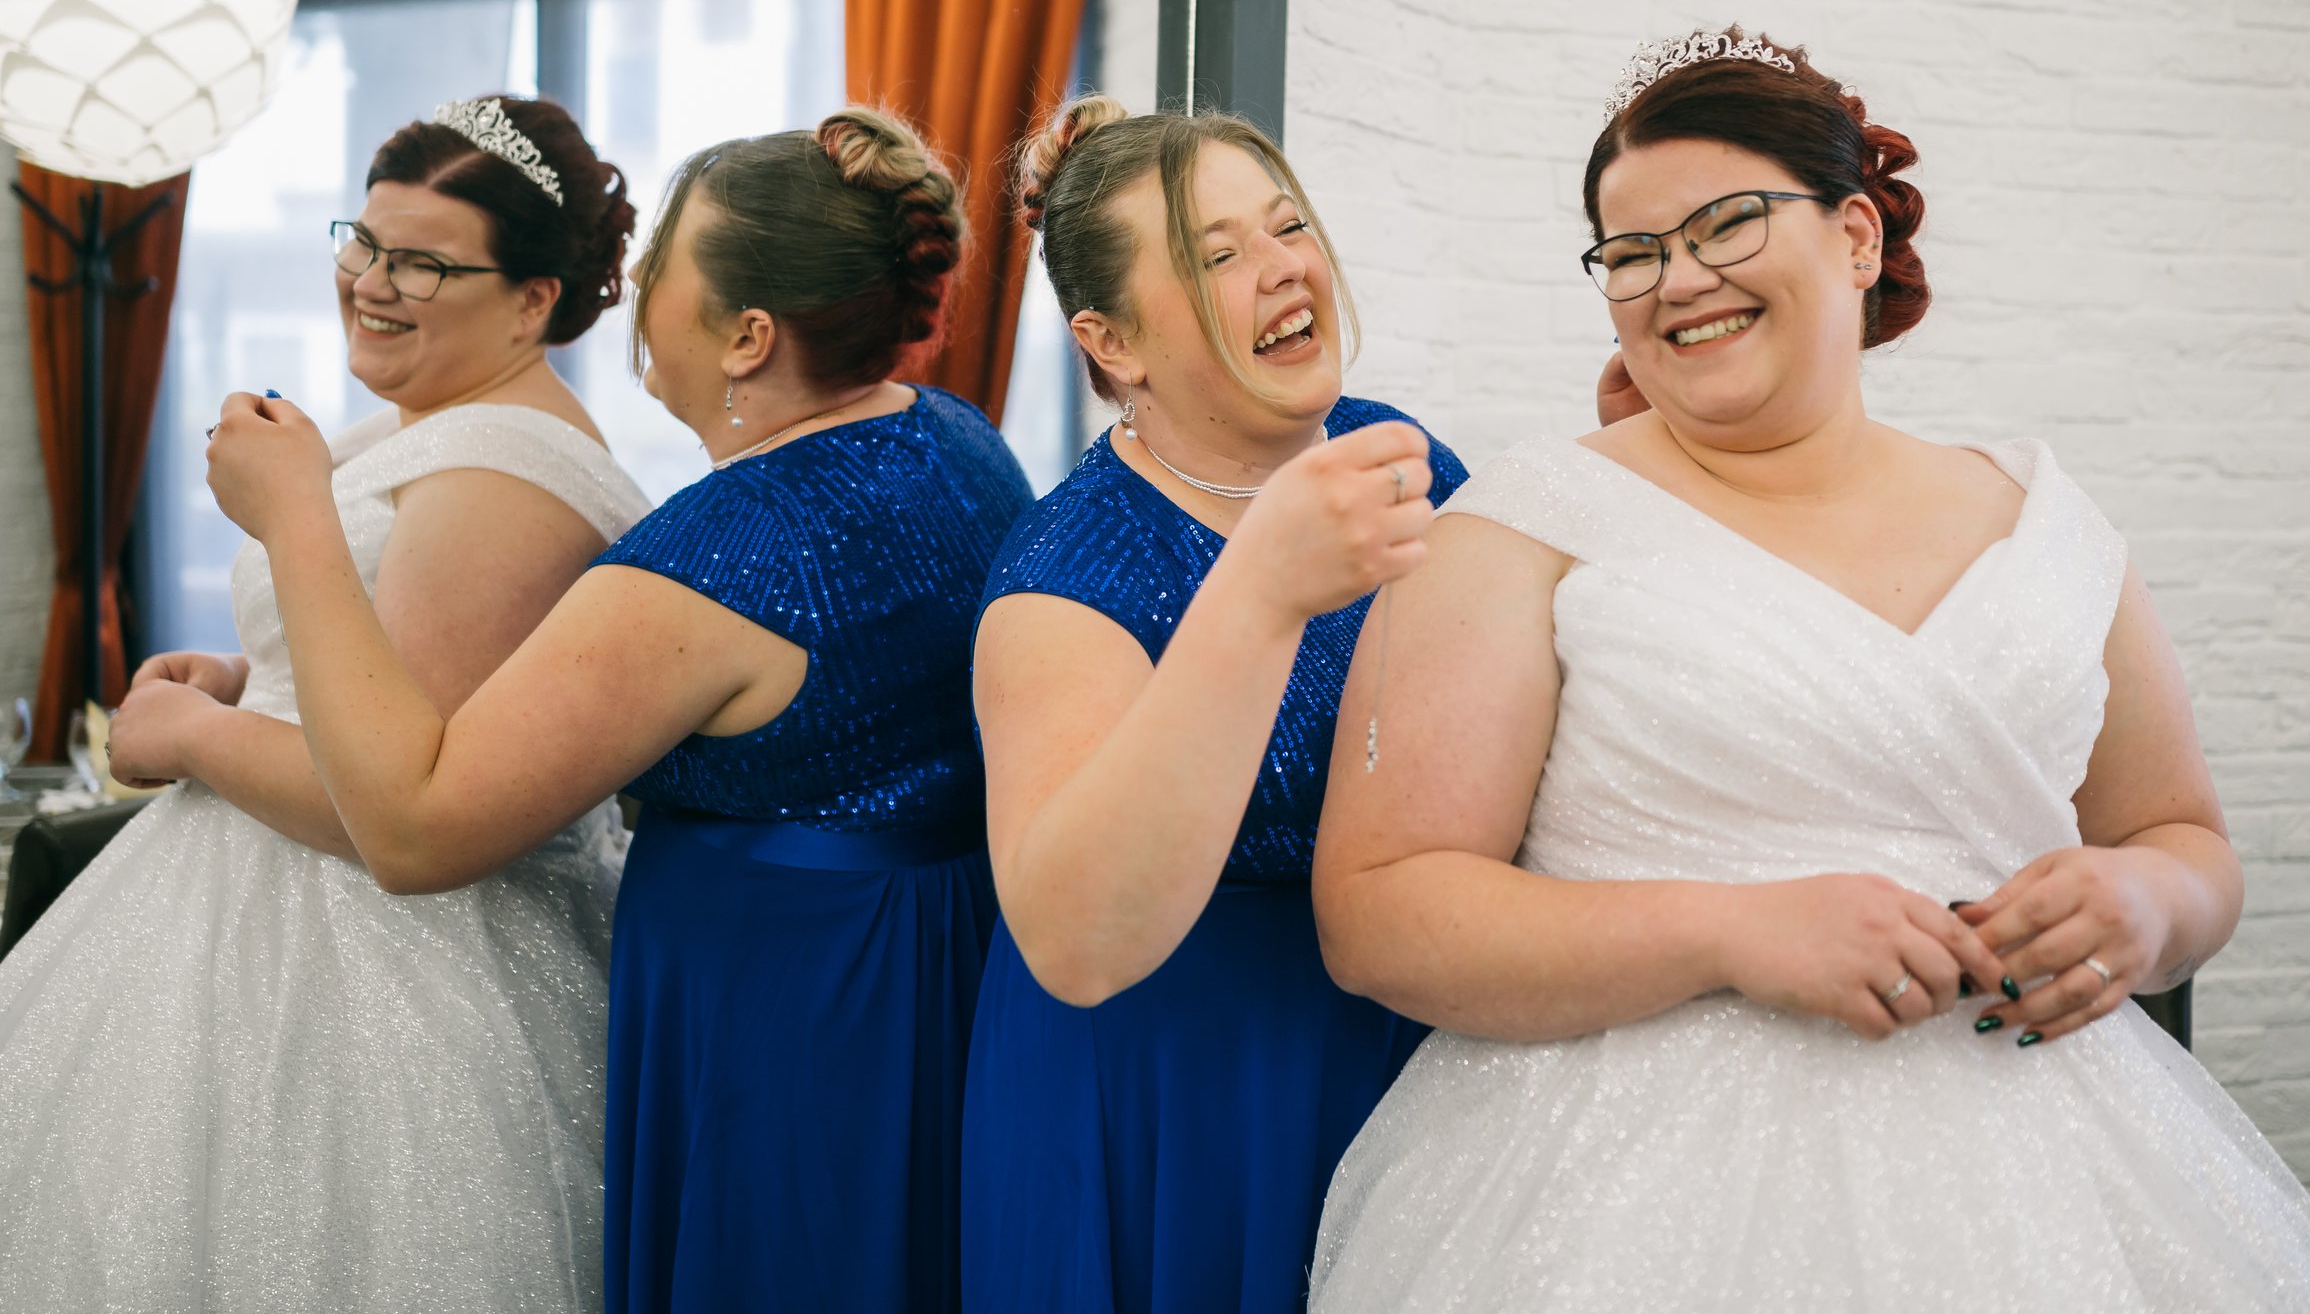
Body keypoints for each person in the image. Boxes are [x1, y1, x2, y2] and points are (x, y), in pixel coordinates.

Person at [1304, 29, 2310, 1312]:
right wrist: (1729, 928)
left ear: (1856, 239)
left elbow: (2183, 837)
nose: (1674, 278)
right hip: (1625, 1198)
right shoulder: (1523, 524)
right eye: (1632, 253)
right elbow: (1378, 913)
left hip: (2057, 1187)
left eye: (1726, 224)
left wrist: (2144, 905)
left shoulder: (2045, 519)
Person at [205, 109, 1031, 1314]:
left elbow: (416, 827)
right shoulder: (956, 439)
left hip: (782, 1018)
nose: (635, 291)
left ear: (747, 335)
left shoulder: (713, 555)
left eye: (661, 275)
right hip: (935, 966)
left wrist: (294, 521)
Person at [0, 96, 647, 1313]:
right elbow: (390, 673)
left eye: (424, 262)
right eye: (366, 241)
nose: (373, 281)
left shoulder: (505, 467)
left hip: (385, 968)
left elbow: (393, 803)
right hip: (251, 915)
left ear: (533, 300)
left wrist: (192, 735)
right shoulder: (435, 425)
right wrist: (250, 680)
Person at [959, 96, 1464, 1314]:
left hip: (1403, 1044)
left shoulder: (1404, 458)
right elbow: (1074, 939)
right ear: (1113, 342)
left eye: (1283, 226)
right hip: (1172, 1097)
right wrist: (1258, 596)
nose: (1282, 268)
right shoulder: (1063, 578)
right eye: (1213, 257)